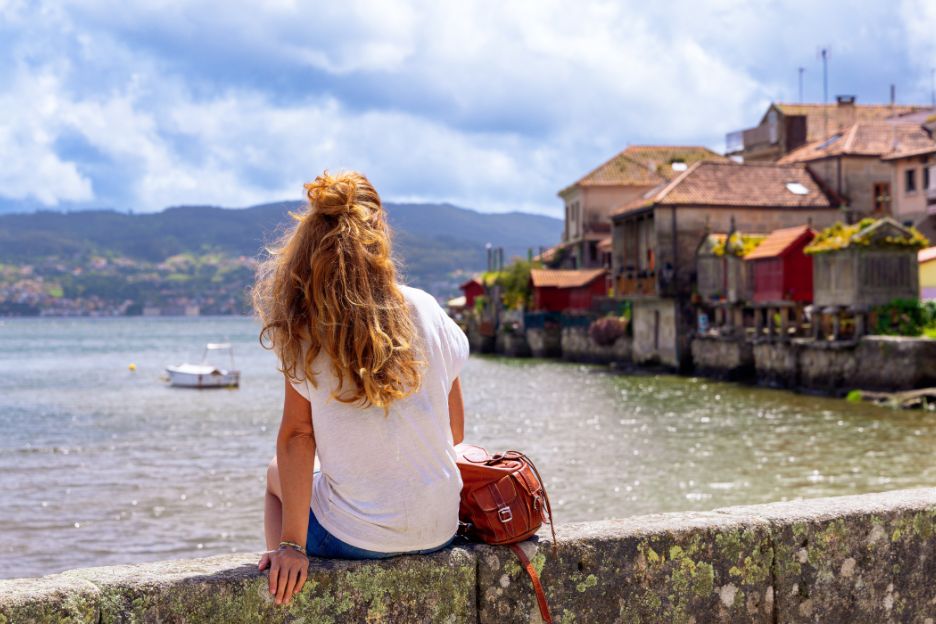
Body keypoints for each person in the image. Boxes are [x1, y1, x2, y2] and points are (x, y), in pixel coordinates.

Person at [251, 171, 469, 606]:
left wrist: (295, 540)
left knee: (276, 474)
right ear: (379, 233)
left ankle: (286, 571)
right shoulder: (425, 307)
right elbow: (456, 434)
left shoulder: (308, 328)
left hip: (356, 539)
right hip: (440, 527)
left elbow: (298, 437)